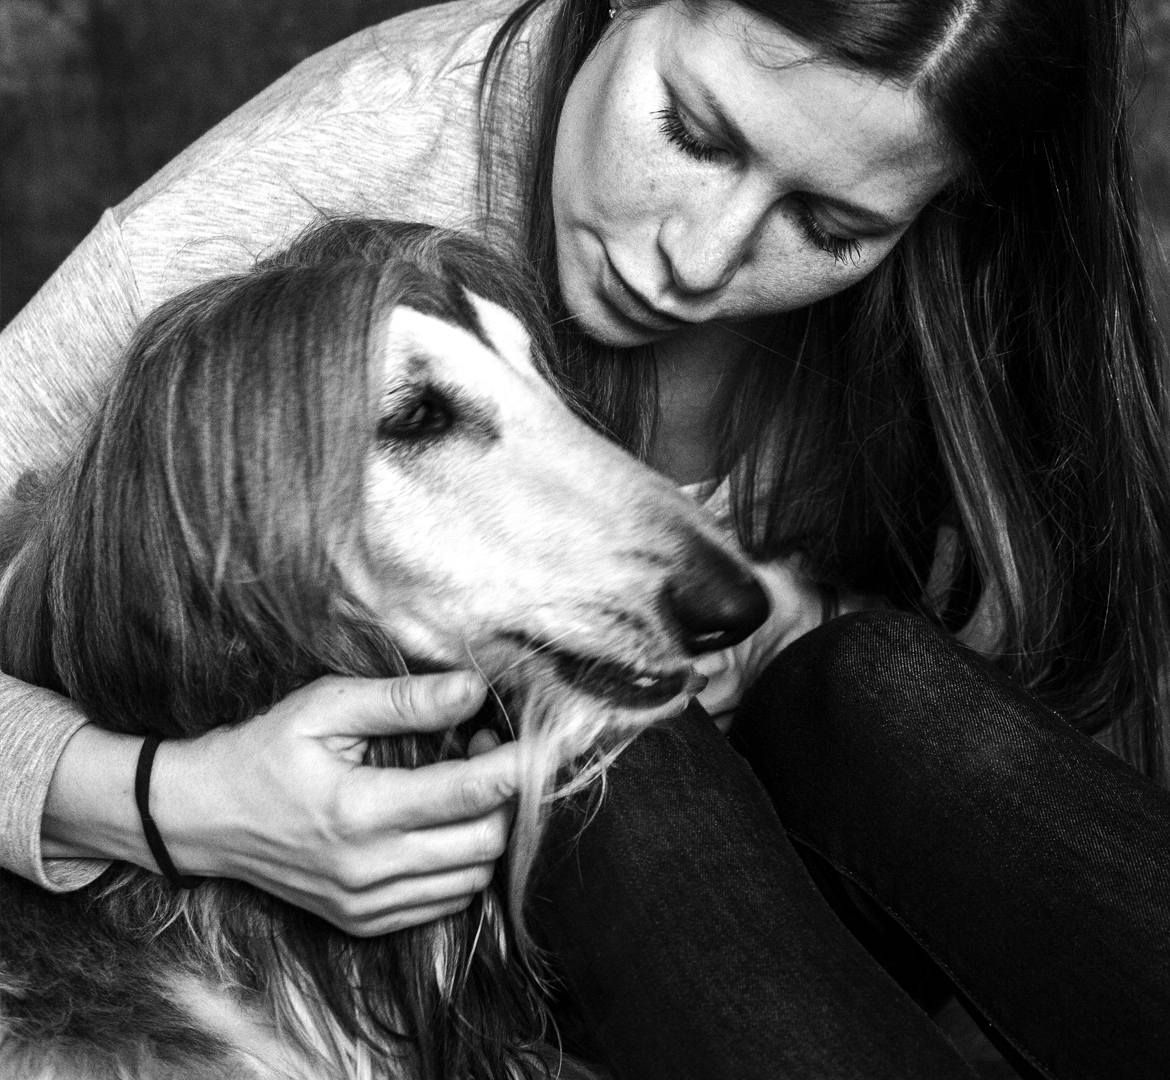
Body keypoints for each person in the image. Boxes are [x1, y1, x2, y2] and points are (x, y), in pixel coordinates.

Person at [1, 0, 1167, 1076]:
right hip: (422, 903)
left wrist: (805, 626)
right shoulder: (312, 179)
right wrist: (165, 797)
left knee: (878, 678)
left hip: (785, 906)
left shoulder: (960, 287)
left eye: (826, 223)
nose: (698, 261)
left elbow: (1008, 674)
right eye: (695, 132)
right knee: (625, 763)